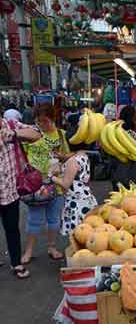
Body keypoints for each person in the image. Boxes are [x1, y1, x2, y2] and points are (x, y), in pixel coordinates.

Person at [20, 103, 70, 264]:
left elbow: (69, 156)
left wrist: (62, 156)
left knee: (54, 218)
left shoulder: (61, 135)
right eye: (39, 121)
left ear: (53, 119)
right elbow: (22, 155)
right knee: (34, 219)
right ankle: (28, 251)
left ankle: (52, 247)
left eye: (46, 120)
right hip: (36, 185)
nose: (42, 124)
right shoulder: (31, 134)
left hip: (56, 183)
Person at [0, 116, 41, 278]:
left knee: (12, 228)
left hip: (10, 190)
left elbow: (37, 134)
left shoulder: (11, 124)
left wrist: (15, 133)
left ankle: (16, 263)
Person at [50, 144, 97, 236]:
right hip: (86, 198)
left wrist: (51, 177)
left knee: (78, 235)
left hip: (75, 202)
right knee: (86, 233)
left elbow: (65, 184)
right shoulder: (83, 155)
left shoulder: (73, 161)